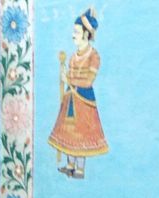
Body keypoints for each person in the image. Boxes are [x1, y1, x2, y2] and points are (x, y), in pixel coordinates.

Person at [47, 7, 108, 179]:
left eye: (76, 31)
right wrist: (64, 75)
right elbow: (70, 76)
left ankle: (79, 169)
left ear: (86, 34)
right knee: (68, 132)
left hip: (84, 100)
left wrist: (70, 81)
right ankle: (70, 165)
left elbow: (88, 81)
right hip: (70, 98)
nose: (73, 34)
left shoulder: (93, 56)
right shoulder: (73, 57)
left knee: (81, 133)